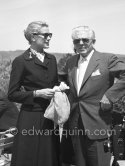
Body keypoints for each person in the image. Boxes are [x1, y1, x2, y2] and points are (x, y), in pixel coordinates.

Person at [62, 26, 125, 166]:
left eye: (85, 39)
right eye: (76, 40)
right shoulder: (71, 62)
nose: (81, 43)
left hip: (98, 120)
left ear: (93, 41)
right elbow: (61, 80)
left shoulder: (107, 59)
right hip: (75, 122)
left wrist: (109, 96)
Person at [8, 21, 61, 166]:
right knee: (29, 157)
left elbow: (54, 84)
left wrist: (59, 88)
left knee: (49, 157)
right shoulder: (21, 61)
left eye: (50, 34)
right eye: (46, 35)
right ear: (33, 37)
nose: (49, 38)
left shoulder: (52, 59)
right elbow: (12, 94)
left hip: (50, 116)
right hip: (30, 116)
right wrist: (36, 93)